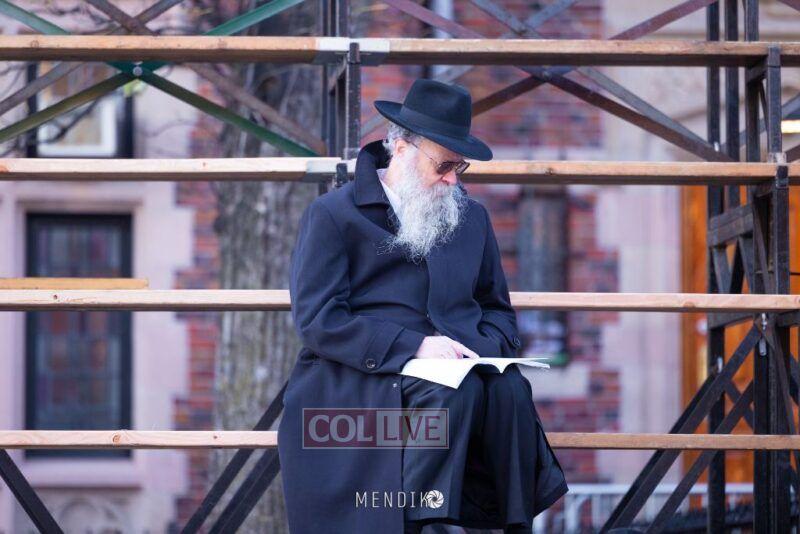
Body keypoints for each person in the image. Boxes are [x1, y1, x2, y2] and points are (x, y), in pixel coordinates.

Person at [279, 78, 568, 534]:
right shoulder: (333, 215)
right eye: (443, 164)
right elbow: (319, 320)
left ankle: (502, 525)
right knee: (452, 394)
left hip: (456, 374)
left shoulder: (472, 218)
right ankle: (421, 524)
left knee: (507, 389)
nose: (453, 178)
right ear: (401, 148)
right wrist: (415, 347)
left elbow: (497, 310)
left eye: (460, 166)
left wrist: (478, 350)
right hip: (359, 381)